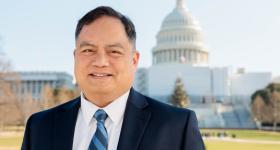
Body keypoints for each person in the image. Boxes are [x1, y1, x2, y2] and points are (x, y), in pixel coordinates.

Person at [21, 6, 205, 150]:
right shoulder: (39, 127)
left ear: (134, 60)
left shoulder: (177, 127)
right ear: (75, 57)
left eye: (114, 51)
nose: (100, 61)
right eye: (88, 50)